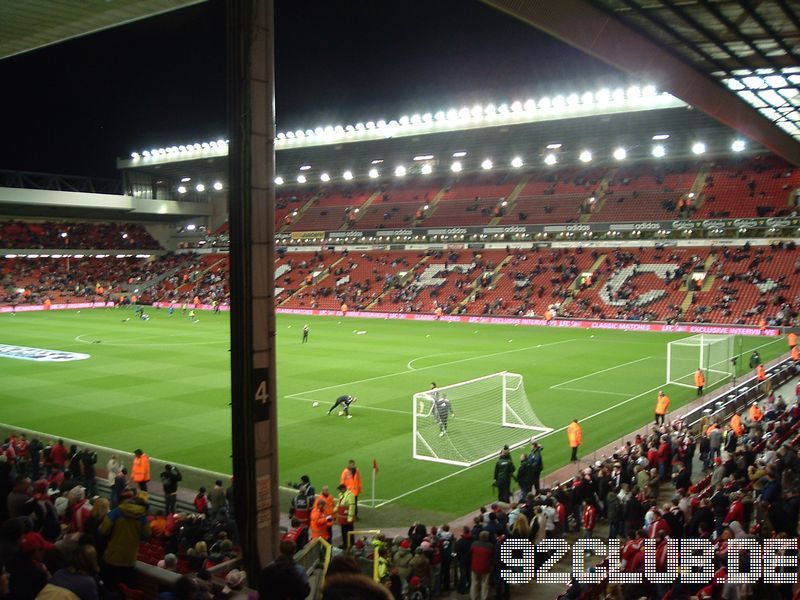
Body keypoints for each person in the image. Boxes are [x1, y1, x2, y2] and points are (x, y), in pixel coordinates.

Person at [334, 483, 356, 548]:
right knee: (343, 531)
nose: (340, 491)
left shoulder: (350, 495)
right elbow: (339, 503)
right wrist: (335, 509)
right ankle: (345, 544)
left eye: (341, 489)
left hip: (347, 517)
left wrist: (350, 517)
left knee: (349, 531)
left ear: (344, 488)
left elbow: (352, 506)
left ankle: (351, 544)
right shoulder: (340, 495)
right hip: (342, 518)